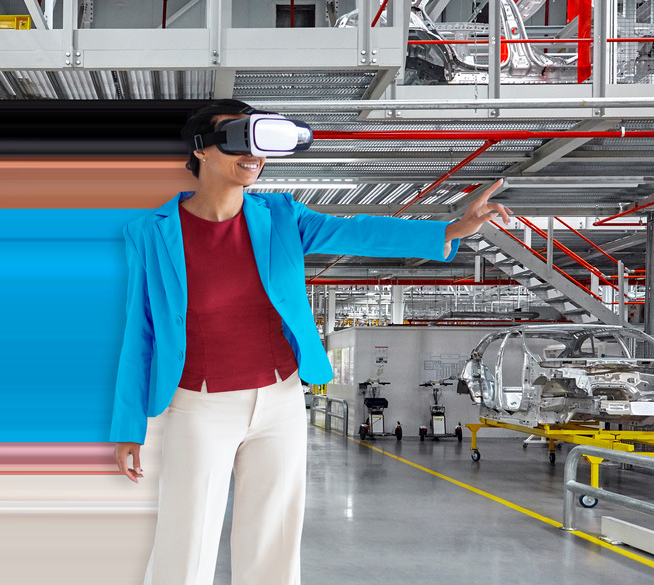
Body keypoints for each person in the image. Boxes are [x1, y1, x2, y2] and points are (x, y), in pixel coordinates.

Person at [109, 99, 511, 585]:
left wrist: (451, 229)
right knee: (186, 536)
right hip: (199, 403)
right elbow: (141, 330)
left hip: (279, 399)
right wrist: (128, 426)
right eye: (237, 139)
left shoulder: (280, 215)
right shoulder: (151, 233)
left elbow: (357, 232)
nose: (254, 155)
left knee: (273, 537)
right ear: (201, 150)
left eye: (260, 142)